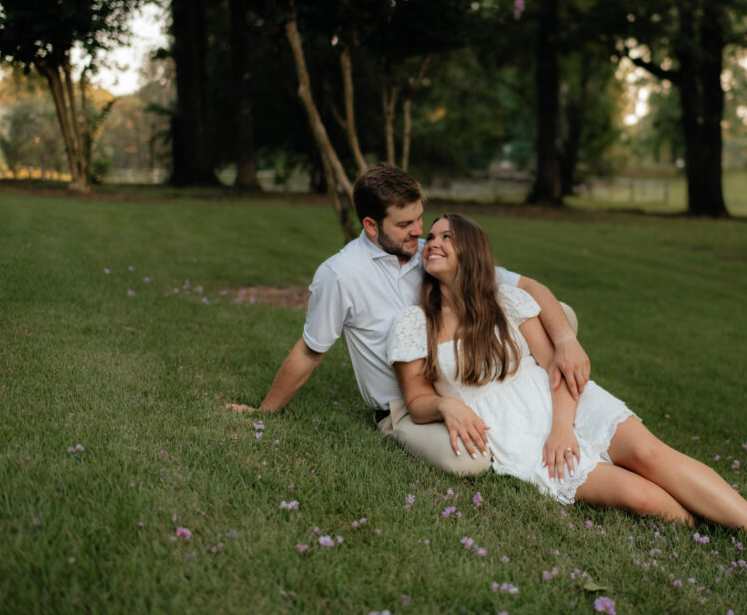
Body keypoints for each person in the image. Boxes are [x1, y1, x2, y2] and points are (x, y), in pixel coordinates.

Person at [387, 214, 747, 584]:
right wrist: (447, 405)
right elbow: (417, 398)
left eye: (445, 235)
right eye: (429, 237)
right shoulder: (414, 323)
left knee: (651, 454)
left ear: (472, 250)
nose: (431, 241)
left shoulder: (505, 301)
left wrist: (563, 426)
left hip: (565, 406)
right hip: (516, 436)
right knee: (644, 499)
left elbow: (558, 370)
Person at [226, 164, 590, 477]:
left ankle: (547, 405)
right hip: (407, 406)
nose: (420, 231)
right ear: (371, 225)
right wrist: (265, 412)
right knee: (469, 461)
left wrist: (565, 340)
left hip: (467, 380)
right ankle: (519, 419)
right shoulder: (340, 275)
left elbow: (528, 286)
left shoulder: (431, 253)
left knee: (561, 315)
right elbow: (309, 351)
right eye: (405, 224)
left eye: (419, 218)